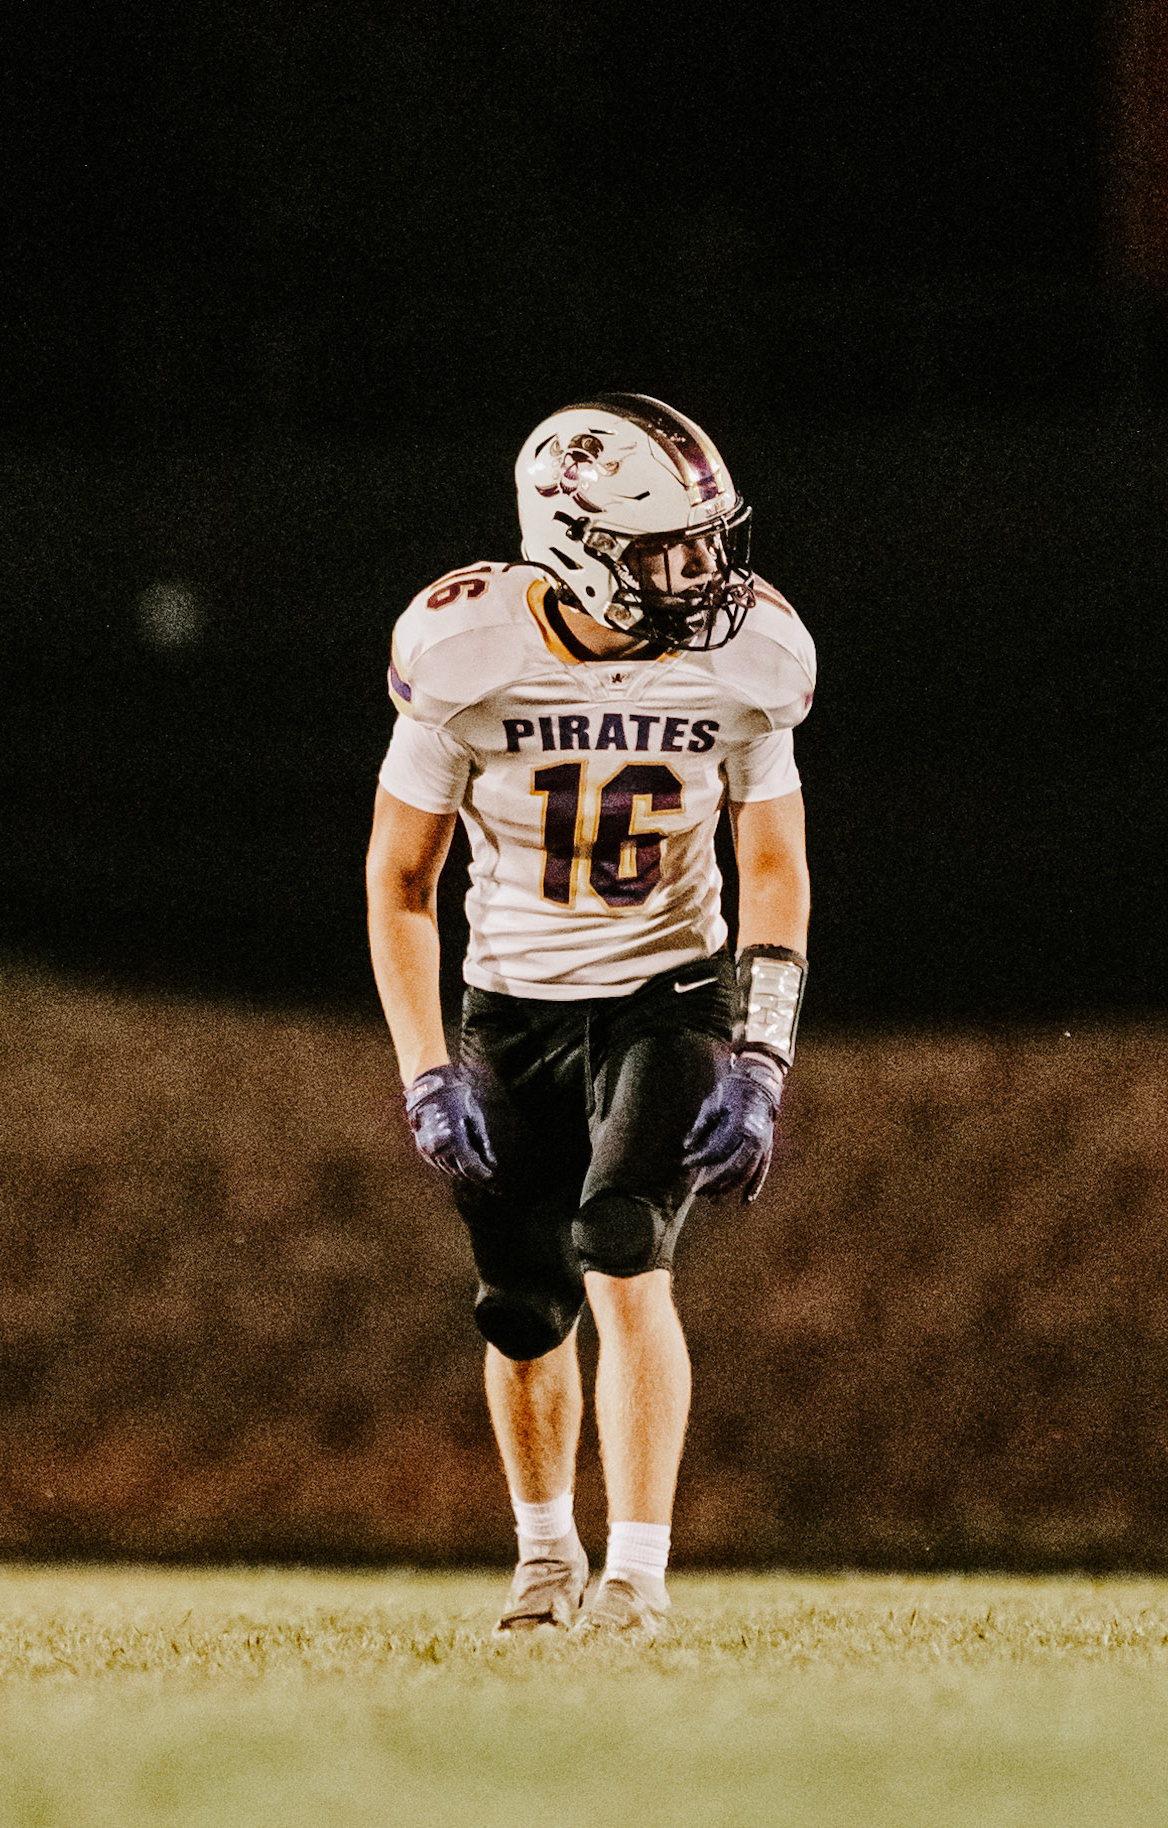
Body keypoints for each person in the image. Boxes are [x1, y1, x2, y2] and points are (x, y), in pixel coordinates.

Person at [365, 393, 813, 1639]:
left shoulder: (747, 655)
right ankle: (546, 1554)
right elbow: (399, 881)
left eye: (705, 541)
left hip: (666, 992)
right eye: (666, 550)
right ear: (574, 545)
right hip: (512, 1002)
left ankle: (638, 1576)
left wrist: (762, 1052)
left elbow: (773, 865)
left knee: (623, 1242)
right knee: (520, 1304)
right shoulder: (467, 649)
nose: (701, 573)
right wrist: (425, 1068)